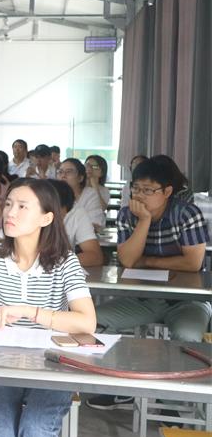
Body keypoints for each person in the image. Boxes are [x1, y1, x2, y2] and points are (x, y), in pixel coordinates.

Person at [0, 178, 96, 437]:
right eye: (8, 204)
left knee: (35, 430)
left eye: (22, 206)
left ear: (46, 218)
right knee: (1, 431)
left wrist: (28, 311)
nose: (10, 213)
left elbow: (87, 322)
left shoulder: (66, 261)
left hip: (53, 361)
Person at [87, 158, 210, 411]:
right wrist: (143, 221)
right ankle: (117, 387)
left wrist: (149, 261)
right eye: (136, 188)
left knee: (187, 337)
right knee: (93, 321)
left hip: (188, 301)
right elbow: (128, 260)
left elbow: (192, 263)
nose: (140, 195)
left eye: (148, 190)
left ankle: (172, 401)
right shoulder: (127, 214)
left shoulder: (187, 214)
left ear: (167, 191)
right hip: (143, 299)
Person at [48, 179, 103, 267]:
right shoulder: (28, 214)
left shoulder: (76, 212)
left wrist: (59, 263)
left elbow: (96, 256)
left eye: (60, 214)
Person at [57, 159, 105, 229]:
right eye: (60, 172)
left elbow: (95, 224)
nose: (63, 175)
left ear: (80, 178)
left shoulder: (90, 195)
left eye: (69, 172)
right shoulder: (52, 194)